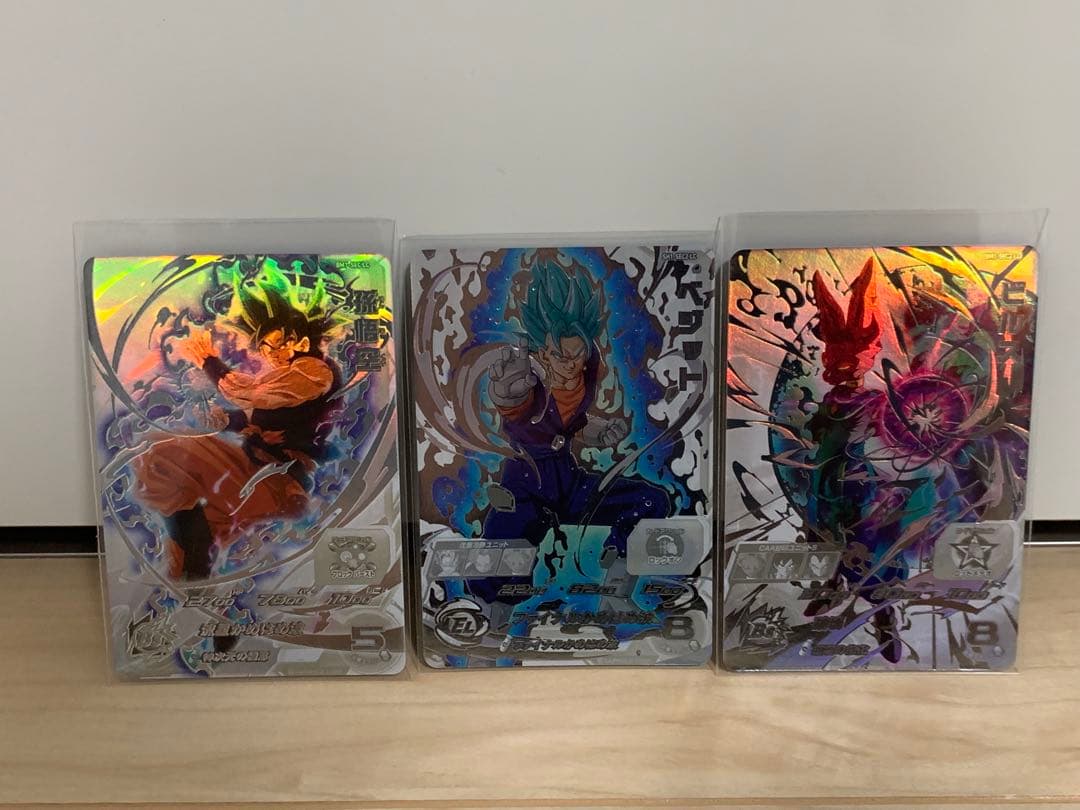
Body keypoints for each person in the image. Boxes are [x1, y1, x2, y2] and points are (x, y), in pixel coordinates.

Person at [132, 267, 343, 580]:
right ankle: (192, 585)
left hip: (279, 481)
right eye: (265, 347)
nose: (271, 354)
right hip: (251, 468)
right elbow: (253, 414)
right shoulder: (286, 376)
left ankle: (194, 574)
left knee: (161, 451)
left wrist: (210, 362)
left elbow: (257, 395)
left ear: (297, 341)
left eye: (276, 344)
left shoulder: (316, 371)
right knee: (191, 537)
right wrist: (222, 419)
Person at [482, 254, 669, 557]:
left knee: (650, 501)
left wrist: (601, 431)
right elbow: (515, 409)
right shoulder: (527, 380)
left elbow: (573, 425)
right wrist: (506, 396)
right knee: (498, 555)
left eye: (578, 354)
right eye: (561, 356)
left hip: (568, 485)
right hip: (525, 489)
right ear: (543, 353)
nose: (571, 365)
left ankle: (615, 562)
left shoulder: (586, 373)